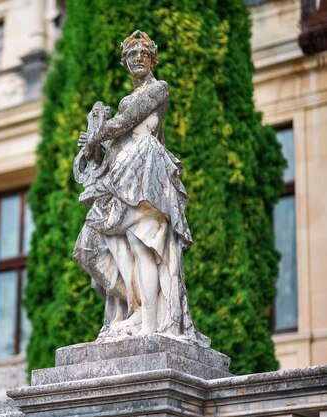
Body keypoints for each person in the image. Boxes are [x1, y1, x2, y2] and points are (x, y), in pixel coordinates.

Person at [73, 30, 208, 347]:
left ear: (152, 59)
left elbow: (124, 123)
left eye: (144, 53)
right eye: (132, 54)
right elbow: (114, 141)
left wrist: (96, 133)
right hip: (119, 173)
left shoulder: (158, 89)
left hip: (145, 169)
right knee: (92, 248)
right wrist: (94, 146)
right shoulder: (124, 101)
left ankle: (150, 320)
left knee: (142, 246)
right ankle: (135, 306)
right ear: (124, 61)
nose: (138, 58)